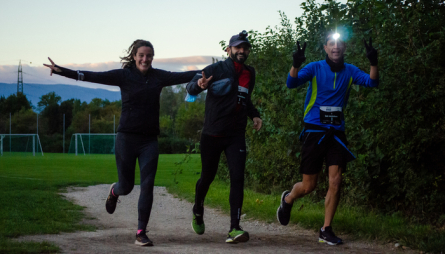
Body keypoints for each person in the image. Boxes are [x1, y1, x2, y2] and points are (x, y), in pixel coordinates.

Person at [44, 39, 199, 247]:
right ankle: (114, 191)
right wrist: (62, 71)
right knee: (126, 186)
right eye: (141, 55)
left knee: (147, 185)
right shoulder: (123, 76)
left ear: (152, 57)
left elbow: (186, 75)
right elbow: (93, 76)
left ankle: (141, 232)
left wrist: (217, 69)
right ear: (134, 56)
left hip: (149, 141)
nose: (145, 59)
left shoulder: (158, 77)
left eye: (149, 55)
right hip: (126, 138)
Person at [276, 32, 379, 245]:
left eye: (339, 44)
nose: (335, 47)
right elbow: (291, 83)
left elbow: (372, 83)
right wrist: (295, 64)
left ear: (344, 48)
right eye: (331, 44)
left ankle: (326, 229)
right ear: (325, 47)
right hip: (314, 132)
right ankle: (288, 199)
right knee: (308, 186)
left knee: (336, 180)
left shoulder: (350, 71)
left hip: (336, 134)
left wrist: (373, 62)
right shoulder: (314, 68)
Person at [186, 30, 262, 243]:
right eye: (237, 47)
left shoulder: (250, 73)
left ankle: (234, 228)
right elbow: (191, 86)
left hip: (235, 134)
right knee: (207, 178)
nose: (242, 50)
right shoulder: (214, 69)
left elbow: (245, 98)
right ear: (228, 50)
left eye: (245, 47)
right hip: (212, 134)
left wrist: (254, 115)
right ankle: (198, 208)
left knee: (238, 178)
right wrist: (198, 86)